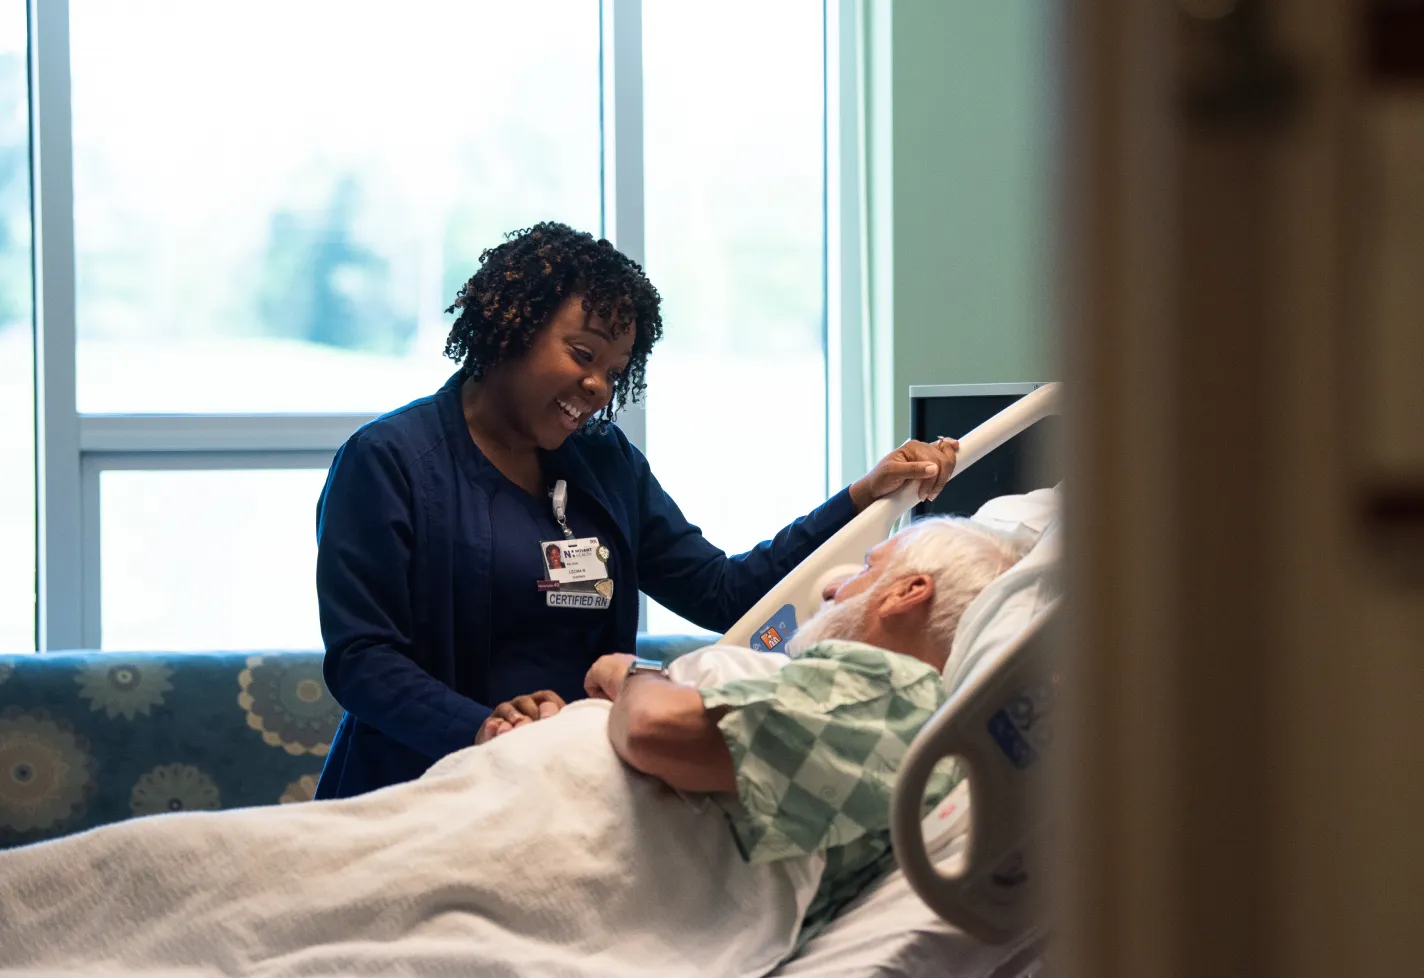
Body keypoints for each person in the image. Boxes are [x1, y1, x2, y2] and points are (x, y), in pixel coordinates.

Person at [0, 518, 1024, 978]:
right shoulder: (400, 461)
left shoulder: (894, 697)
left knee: (195, 896)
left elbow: (669, 737)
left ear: (904, 594)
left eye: (857, 574)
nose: (828, 592)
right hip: (487, 809)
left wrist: (620, 677)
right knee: (186, 880)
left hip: (568, 868)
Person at [314, 221, 960, 799]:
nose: (598, 387)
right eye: (583, 354)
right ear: (510, 325)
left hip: (567, 783)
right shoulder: (391, 461)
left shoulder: (603, 460)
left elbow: (722, 592)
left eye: (616, 371)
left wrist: (861, 497)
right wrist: (484, 727)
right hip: (422, 786)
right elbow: (363, 659)